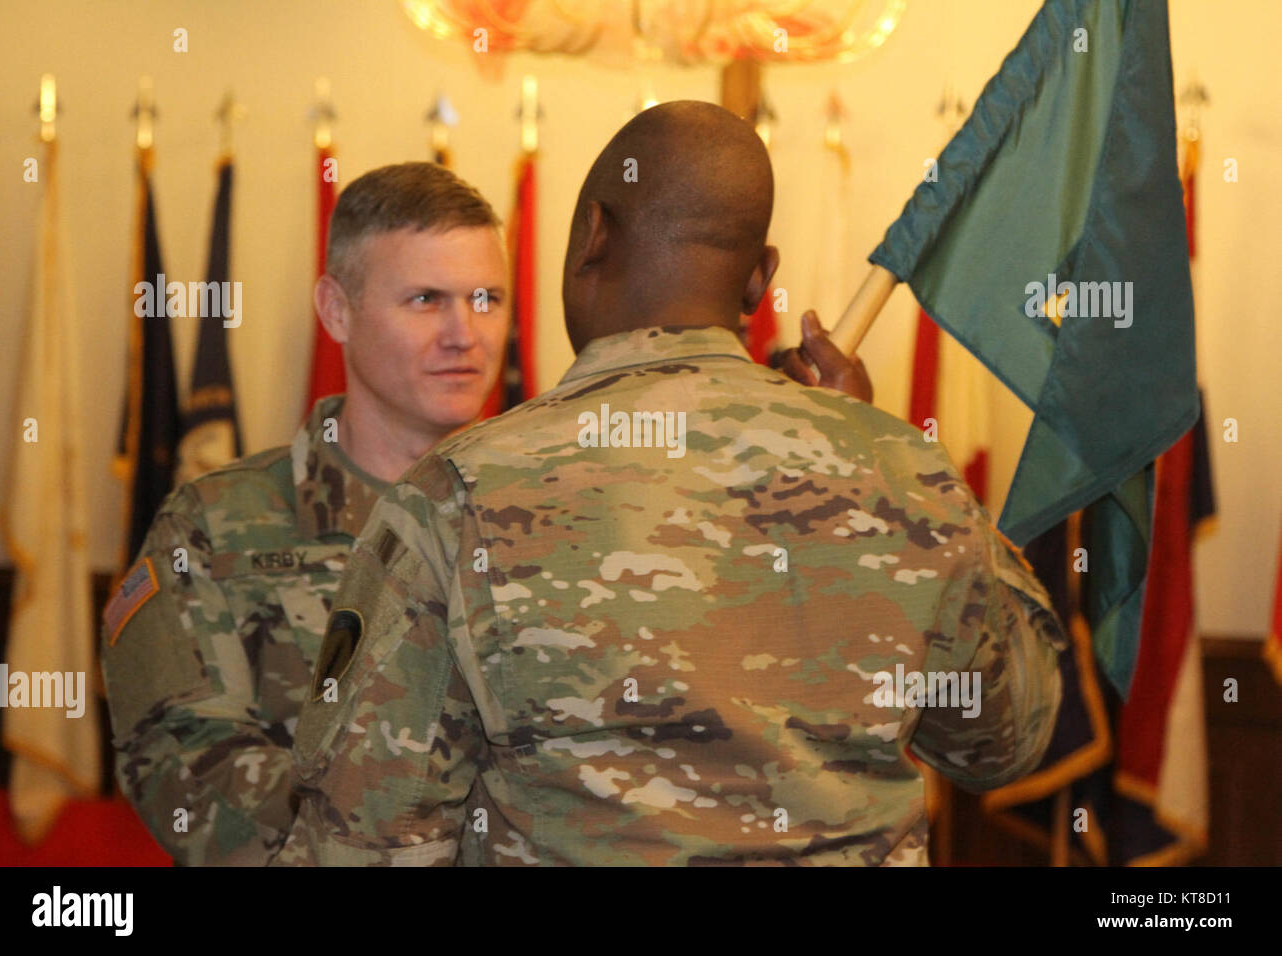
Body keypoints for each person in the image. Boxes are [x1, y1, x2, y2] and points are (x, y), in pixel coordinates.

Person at [280, 100, 1066, 866]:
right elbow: (1008, 736)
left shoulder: (457, 494)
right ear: (759, 281)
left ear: (591, 237)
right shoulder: (906, 476)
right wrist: (910, 479)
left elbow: (362, 840)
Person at [99, 162, 510, 865]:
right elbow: (185, 768)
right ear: (337, 310)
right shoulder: (214, 527)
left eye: (486, 298)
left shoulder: (545, 514)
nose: (464, 334)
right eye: (424, 299)